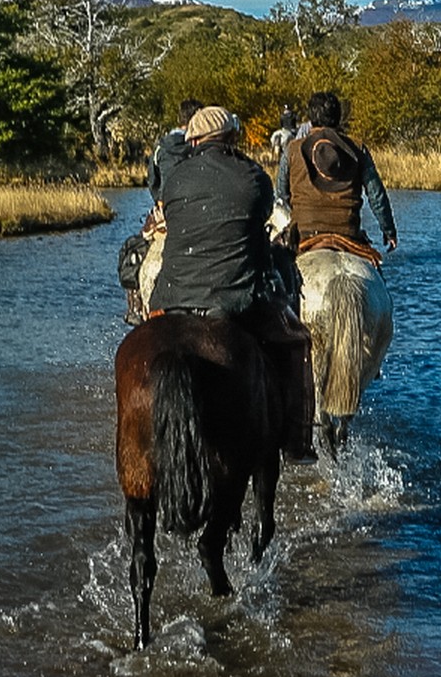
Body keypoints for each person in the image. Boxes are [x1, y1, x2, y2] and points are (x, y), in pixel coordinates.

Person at [150, 104, 316, 461]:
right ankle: (298, 440)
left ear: (193, 139)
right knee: (298, 342)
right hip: (235, 297)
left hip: (173, 296)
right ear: (233, 137)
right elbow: (257, 237)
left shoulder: (175, 179)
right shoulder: (254, 176)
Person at [275, 91, 397, 253]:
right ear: (338, 117)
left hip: (304, 232)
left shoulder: (292, 149)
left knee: (273, 264)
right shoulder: (358, 148)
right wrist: (388, 230)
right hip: (348, 232)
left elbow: (281, 194)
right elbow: (376, 195)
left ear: (311, 118)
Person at [148, 99, 204, 203]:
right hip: (194, 204)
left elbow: (152, 181)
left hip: (166, 204)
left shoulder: (160, 147)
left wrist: (159, 200)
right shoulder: (199, 146)